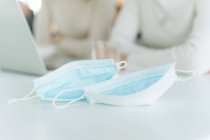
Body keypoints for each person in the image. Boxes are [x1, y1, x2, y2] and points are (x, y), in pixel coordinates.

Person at [111, 0, 210, 75]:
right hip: (147, 80)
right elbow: (115, 46)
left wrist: (128, 59)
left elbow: (194, 62)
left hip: (193, 84)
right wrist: (179, 56)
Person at [34, 0, 115, 69]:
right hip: (56, 65)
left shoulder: (104, 2)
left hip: (87, 67)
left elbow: (96, 48)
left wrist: (59, 41)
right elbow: (42, 41)